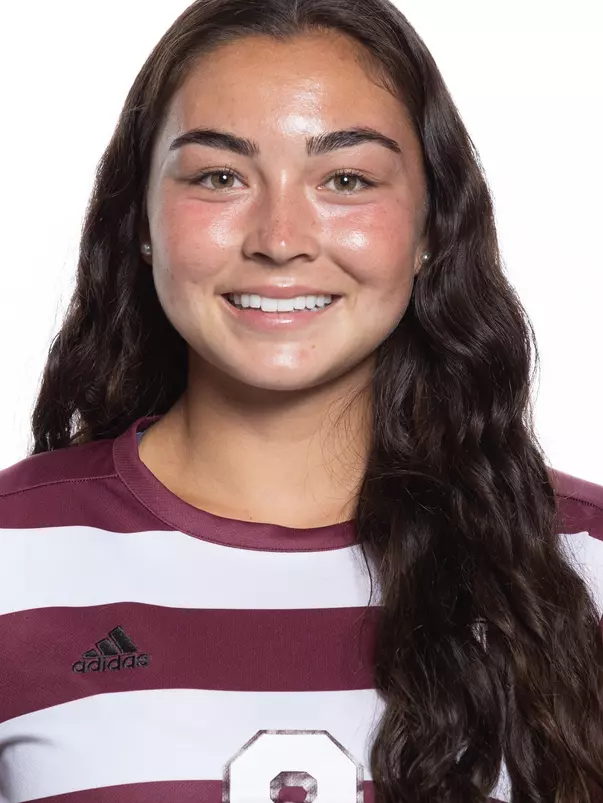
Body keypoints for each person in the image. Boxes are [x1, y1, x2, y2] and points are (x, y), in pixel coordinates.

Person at [0, 0, 602, 801]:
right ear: (140, 218)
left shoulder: (582, 559)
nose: (280, 238)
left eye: (346, 179)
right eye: (219, 176)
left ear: (431, 227)